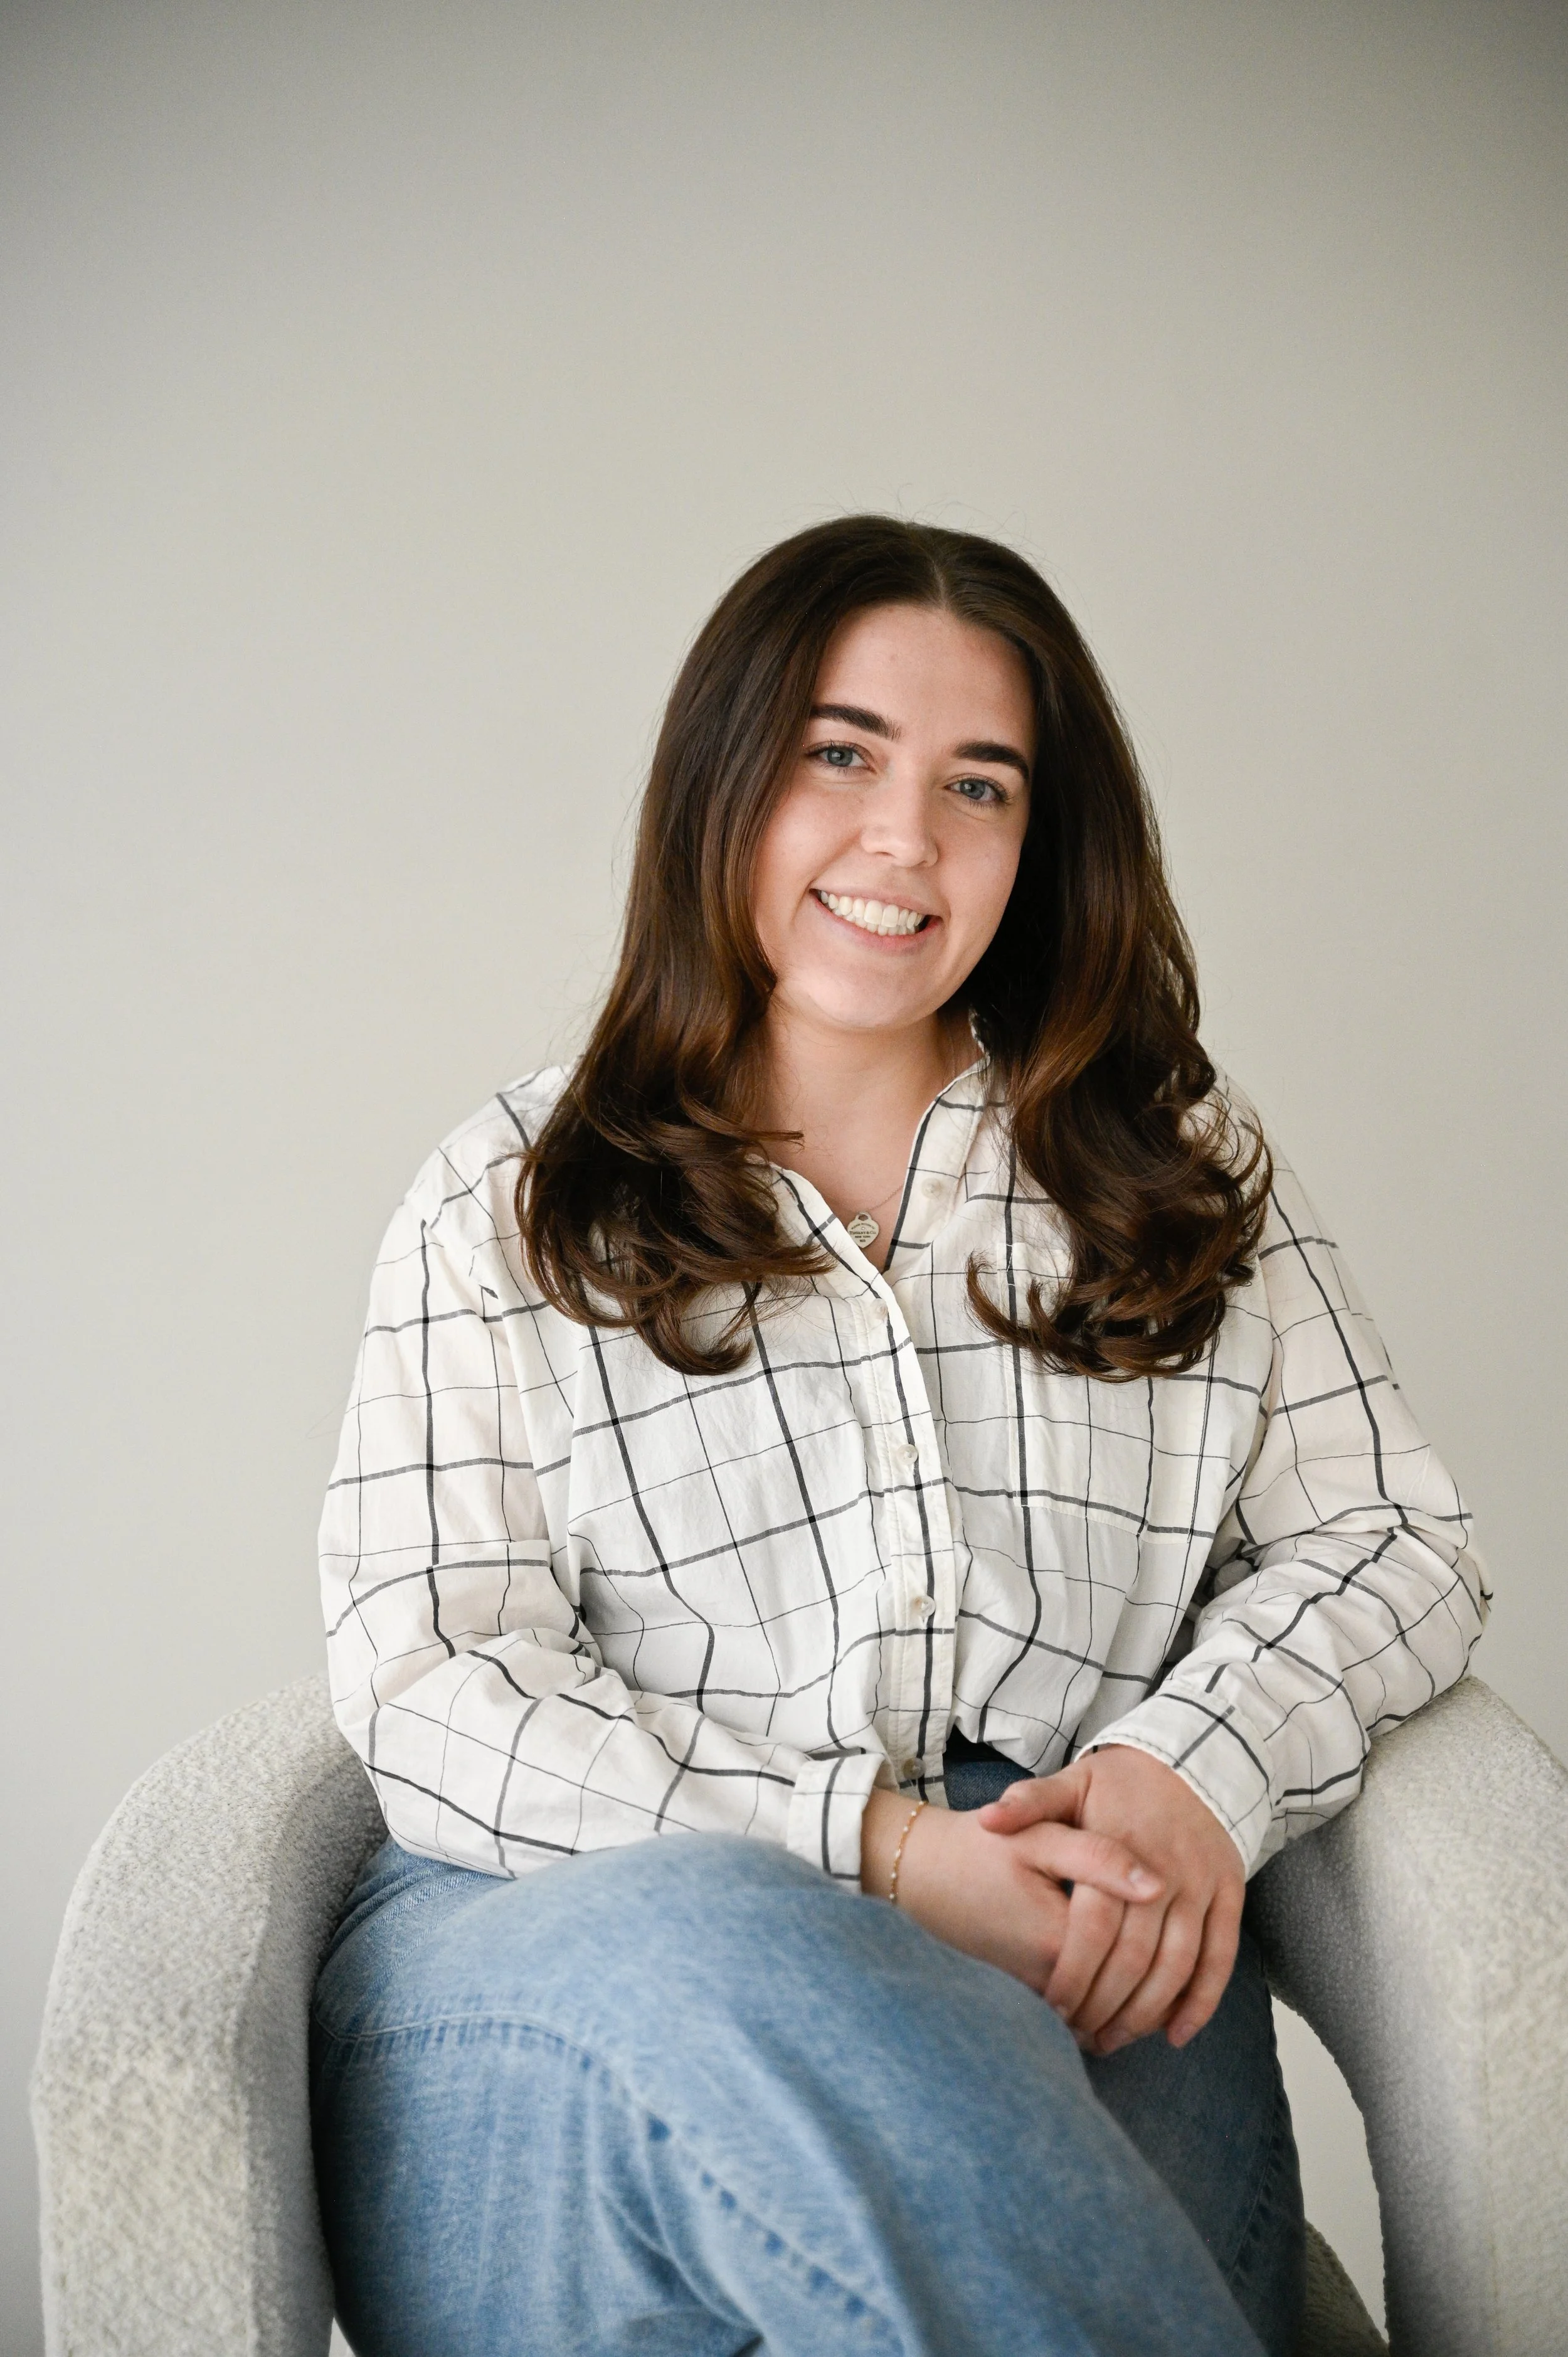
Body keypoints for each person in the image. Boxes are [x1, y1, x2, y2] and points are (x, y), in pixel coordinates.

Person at [312, 517, 1486, 2357]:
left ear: (1042, 839)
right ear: (723, 785)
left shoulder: (1167, 1161)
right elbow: (429, 1677)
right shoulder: (513, 1196)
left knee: (1098, 2056)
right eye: (837, 755)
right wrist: (867, 1850)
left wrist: (1192, 1768)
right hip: (586, 1945)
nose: (903, 843)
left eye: (979, 785)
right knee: (732, 1940)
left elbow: (1392, 1540)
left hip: (1058, 1923)